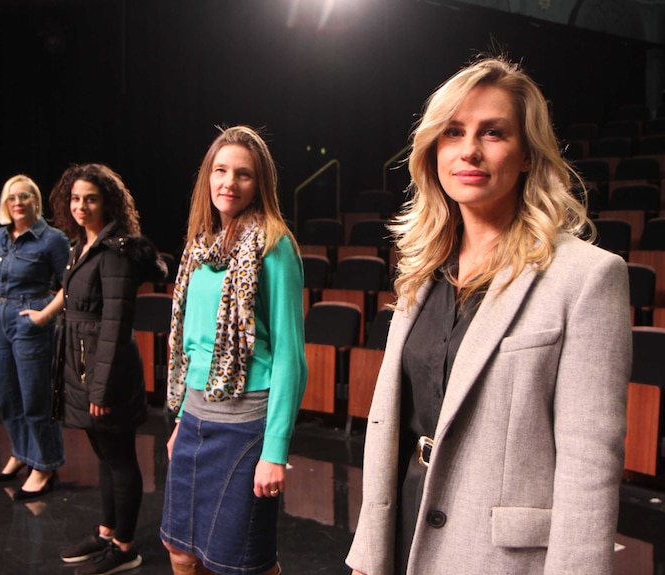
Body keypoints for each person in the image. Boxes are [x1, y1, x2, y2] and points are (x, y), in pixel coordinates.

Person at [345, 55, 632, 575]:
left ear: (526, 155)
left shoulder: (587, 277)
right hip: (403, 528)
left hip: (500, 556)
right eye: (453, 133)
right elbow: (393, 422)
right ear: (434, 150)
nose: (469, 150)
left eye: (493, 133)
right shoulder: (420, 269)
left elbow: (590, 466)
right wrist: (369, 550)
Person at [159, 125, 307, 575]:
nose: (229, 182)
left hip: (245, 428)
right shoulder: (198, 247)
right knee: (180, 551)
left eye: (243, 174)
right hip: (196, 418)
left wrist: (275, 451)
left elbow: (290, 356)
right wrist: (183, 416)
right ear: (207, 178)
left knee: (239, 563)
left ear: (259, 183)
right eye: (220, 170)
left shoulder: (274, 246)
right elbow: (190, 344)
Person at [23, 163, 167, 575]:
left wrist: (101, 390)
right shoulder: (80, 246)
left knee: (120, 459)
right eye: (75, 198)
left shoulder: (117, 250)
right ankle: (107, 532)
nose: (81, 206)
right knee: (104, 457)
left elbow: (115, 326)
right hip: (82, 366)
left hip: (106, 373)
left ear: (107, 202)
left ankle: (125, 547)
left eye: (91, 198)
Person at [0, 174, 70, 500]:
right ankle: (21, 453)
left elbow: (69, 285)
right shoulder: (0, 237)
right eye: (12, 198)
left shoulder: (52, 240)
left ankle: (45, 464)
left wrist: (44, 316)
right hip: (0, 321)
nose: (18, 203)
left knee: (35, 397)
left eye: (24, 197)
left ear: (36, 201)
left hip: (30, 319)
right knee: (8, 396)